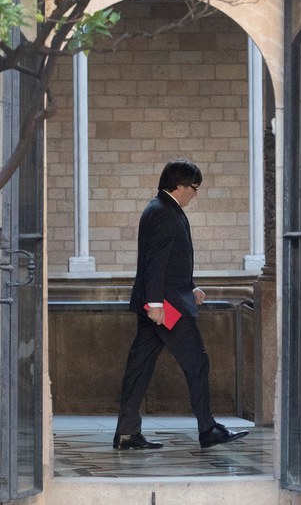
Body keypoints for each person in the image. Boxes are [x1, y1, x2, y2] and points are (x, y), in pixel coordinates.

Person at [113, 158, 249, 450]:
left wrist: (191, 286)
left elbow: (171, 261)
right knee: (197, 362)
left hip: (160, 304)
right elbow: (155, 262)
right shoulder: (164, 212)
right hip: (166, 308)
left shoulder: (160, 207)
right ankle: (208, 428)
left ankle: (126, 433)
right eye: (194, 187)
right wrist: (156, 304)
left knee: (139, 368)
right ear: (179, 185)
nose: (195, 194)